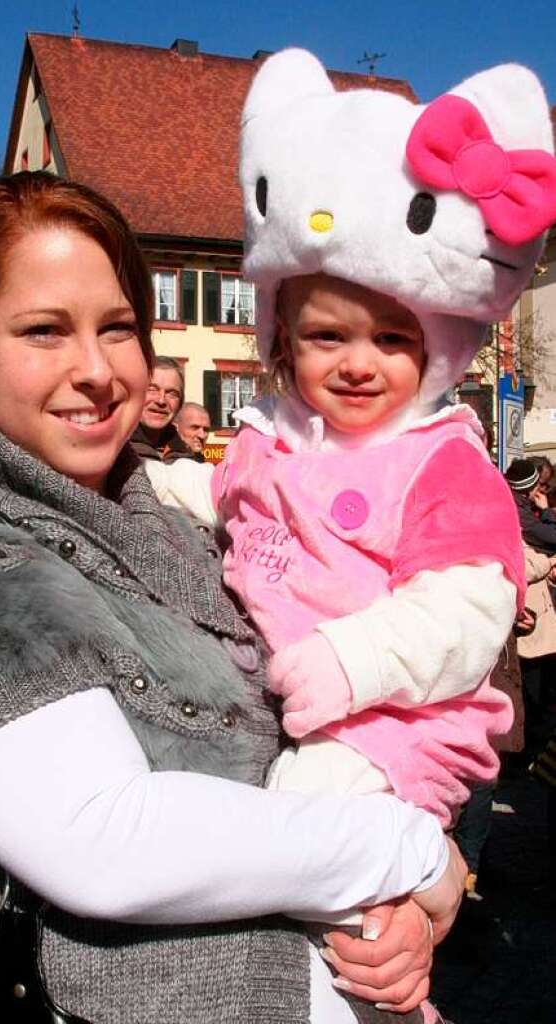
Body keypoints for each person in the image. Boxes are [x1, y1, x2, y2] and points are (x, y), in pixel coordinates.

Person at [0, 172, 466, 1024]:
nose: (95, 371)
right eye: (43, 332)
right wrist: (403, 853)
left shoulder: (180, 532)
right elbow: (105, 841)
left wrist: (391, 916)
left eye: (119, 328)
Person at [148, 50, 556, 842]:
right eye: (328, 336)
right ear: (283, 341)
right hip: (286, 704)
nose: (358, 363)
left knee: (301, 838)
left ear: (437, 347)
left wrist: (350, 661)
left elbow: (467, 608)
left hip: (392, 724)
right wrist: (148, 481)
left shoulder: (440, 461)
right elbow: (220, 496)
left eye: (393, 339)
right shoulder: (272, 440)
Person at [129, 354, 193, 461]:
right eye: (152, 389)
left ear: (180, 404)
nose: (161, 400)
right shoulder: (114, 452)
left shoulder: (189, 460)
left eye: (171, 393)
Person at [505, 458, 556, 553]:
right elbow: (553, 536)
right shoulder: (520, 512)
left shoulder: (519, 502)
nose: (543, 489)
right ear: (531, 488)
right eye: (540, 484)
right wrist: (546, 510)